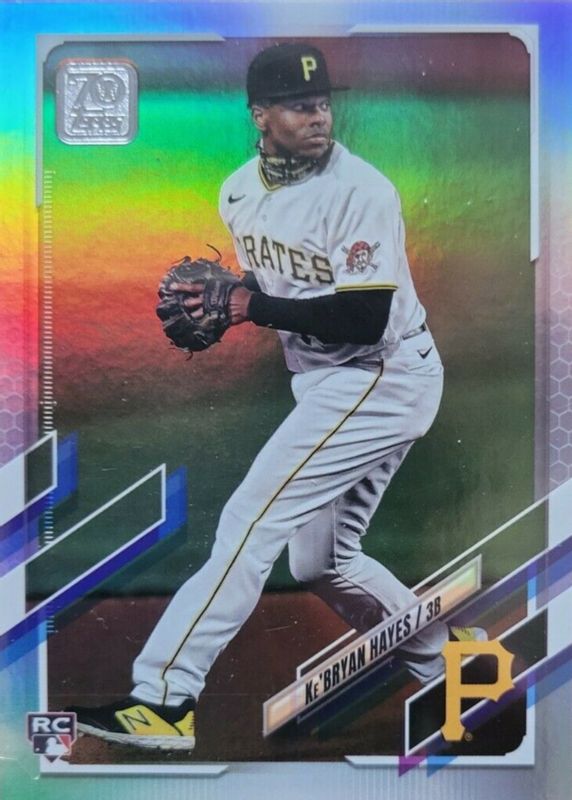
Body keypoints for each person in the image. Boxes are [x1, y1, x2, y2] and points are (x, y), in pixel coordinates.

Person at [69, 43, 482, 751]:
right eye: (298, 105)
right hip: (329, 384)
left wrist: (247, 306)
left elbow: (365, 318)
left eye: (322, 103)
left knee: (249, 521)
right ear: (260, 115)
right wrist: (235, 296)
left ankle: (165, 700)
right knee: (322, 562)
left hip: (380, 375)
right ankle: (455, 670)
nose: (318, 116)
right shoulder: (237, 192)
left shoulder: (362, 191)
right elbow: (284, 289)